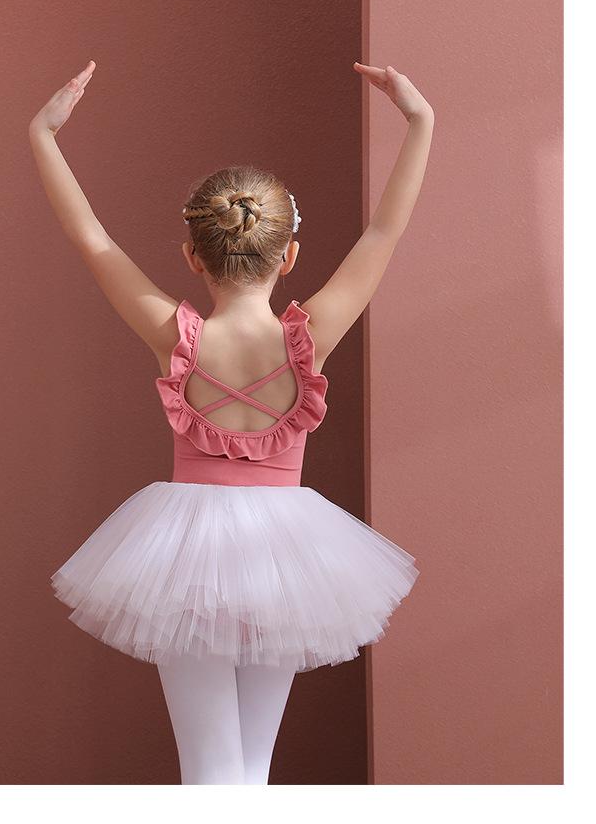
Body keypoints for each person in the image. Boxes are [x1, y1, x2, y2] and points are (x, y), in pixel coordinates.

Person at [29, 59, 434, 785]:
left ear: (193, 256)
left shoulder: (175, 336)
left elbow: (94, 242)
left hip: (185, 549)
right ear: (291, 254)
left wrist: (43, 136)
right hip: (290, 551)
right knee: (252, 769)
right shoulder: (310, 336)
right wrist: (419, 121)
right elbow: (382, 234)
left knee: (208, 765)